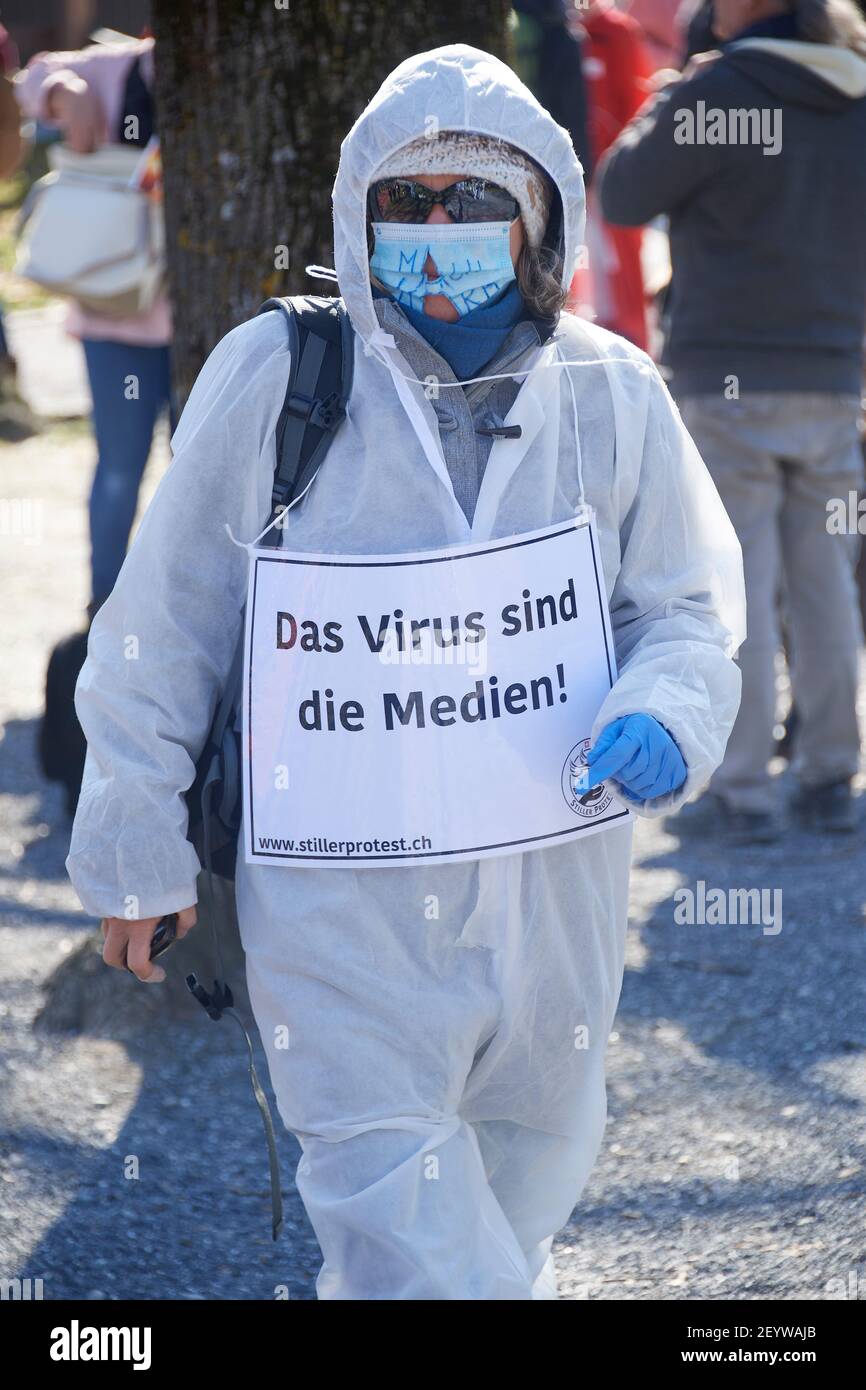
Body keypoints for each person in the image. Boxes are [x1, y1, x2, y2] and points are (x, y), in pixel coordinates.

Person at [67, 45, 744, 1300]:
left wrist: (666, 706)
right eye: (407, 202)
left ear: (537, 212)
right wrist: (133, 847)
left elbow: (687, 612)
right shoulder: (280, 378)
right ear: (356, 213)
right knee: (399, 1226)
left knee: (515, 1198)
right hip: (340, 910)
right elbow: (161, 628)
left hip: (554, 895)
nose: (437, 228)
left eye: (471, 202)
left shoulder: (611, 393)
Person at [598, 0, 866, 841]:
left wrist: (669, 94)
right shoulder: (854, 92)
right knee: (825, 585)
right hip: (832, 371)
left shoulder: (719, 95)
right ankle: (830, 774)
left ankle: (740, 789)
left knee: (733, 588)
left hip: (728, 377)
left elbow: (622, 191)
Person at [15, 33, 171, 616]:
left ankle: (187, 611)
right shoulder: (117, 66)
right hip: (115, 320)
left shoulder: (238, 72)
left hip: (203, 329)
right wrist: (64, 92)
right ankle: (103, 611)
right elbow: (30, 79)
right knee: (119, 467)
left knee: (198, 472)